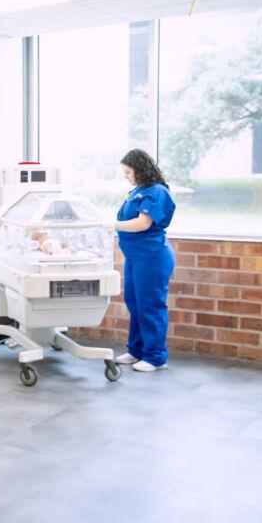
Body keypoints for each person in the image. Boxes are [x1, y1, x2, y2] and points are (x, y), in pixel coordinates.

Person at [113, 149, 176, 373]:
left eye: (128, 172)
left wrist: (111, 225)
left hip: (152, 257)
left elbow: (142, 224)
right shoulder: (139, 190)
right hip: (135, 257)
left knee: (150, 305)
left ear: (140, 169)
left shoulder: (157, 192)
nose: (126, 176)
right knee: (134, 303)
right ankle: (137, 350)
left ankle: (155, 357)